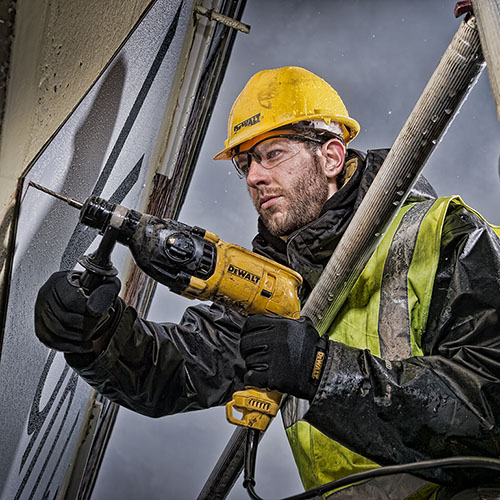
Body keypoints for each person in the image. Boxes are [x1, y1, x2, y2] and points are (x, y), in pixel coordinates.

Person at [34, 66, 500, 499]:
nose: (255, 177)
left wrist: (321, 370)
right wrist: (97, 335)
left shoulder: (445, 235)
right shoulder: (273, 288)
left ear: (332, 156)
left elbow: (490, 401)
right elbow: (175, 372)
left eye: (272, 154)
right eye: (244, 165)